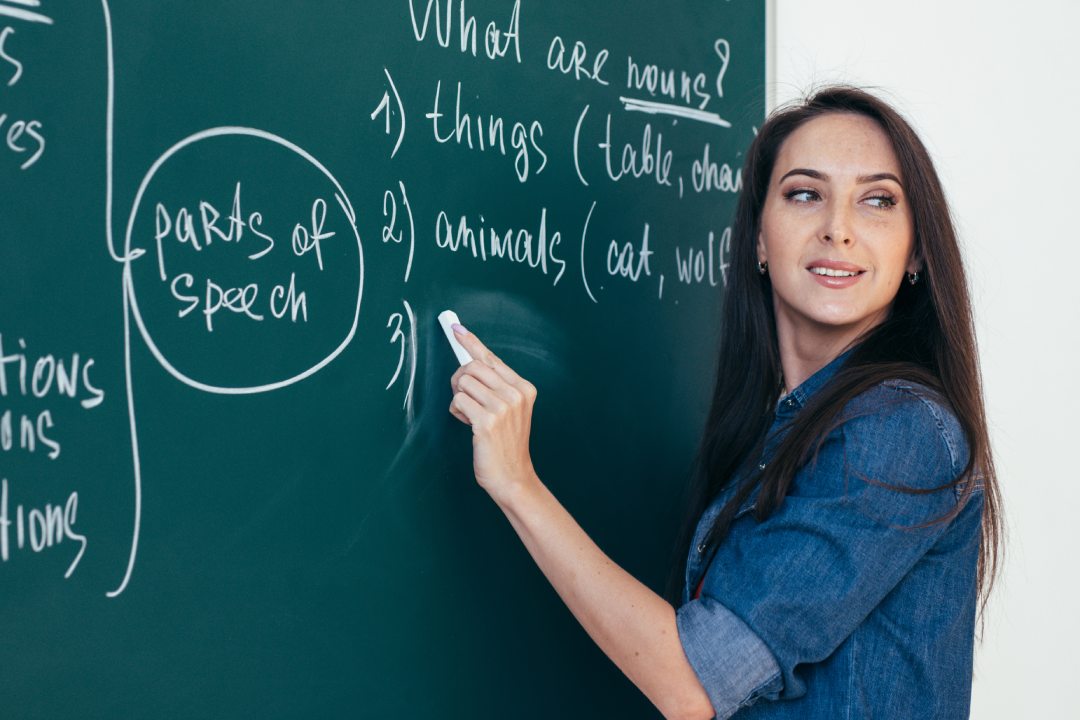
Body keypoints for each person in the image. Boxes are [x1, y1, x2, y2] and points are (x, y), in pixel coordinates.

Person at [445, 86, 1003, 720]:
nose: (838, 230)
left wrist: (519, 484)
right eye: (804, 194)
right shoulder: (784, 430)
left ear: (916, 254)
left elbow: (693, 682)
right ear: (760, 240)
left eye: (877, 200)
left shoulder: (898, 431)